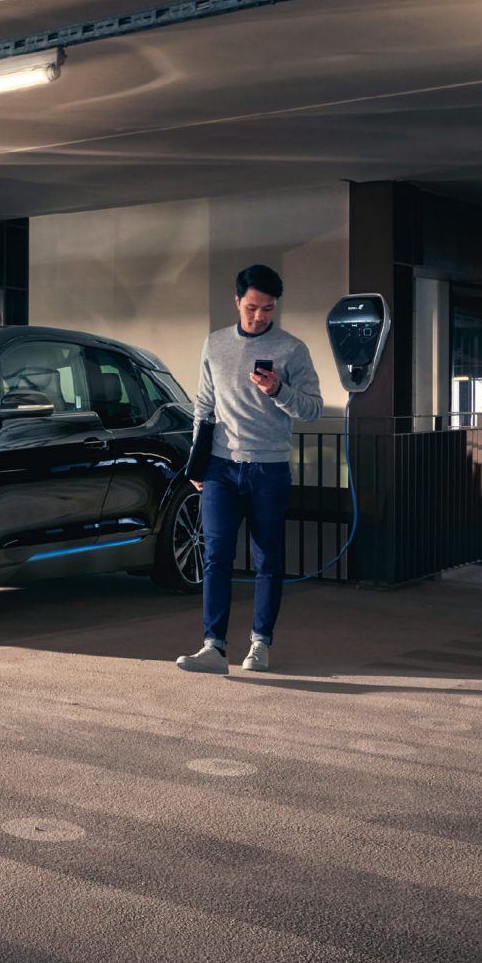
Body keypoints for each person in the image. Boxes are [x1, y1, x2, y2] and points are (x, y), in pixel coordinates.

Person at [176, 264, 323, 674]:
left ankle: (260, 644)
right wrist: (197, 459)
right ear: (237, 301)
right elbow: (204, 407)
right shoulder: (215, 344)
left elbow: (311, 409)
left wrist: (278, 390)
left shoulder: (292, 349)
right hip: (221, 467)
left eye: (268, 309)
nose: (260, 316)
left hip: (269, 469)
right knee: (216, 556)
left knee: (267, 559)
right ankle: (213, 647)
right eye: (253, 307)